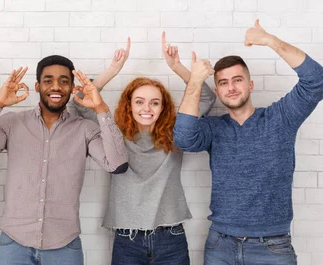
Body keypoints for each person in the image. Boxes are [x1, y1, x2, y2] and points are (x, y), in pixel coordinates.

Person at [173, 20, 323, 265]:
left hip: (272, 247)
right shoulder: (214, 127)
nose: (231, 88)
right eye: (223, 83)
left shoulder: (280, 118)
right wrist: (195, 82)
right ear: (218, 91)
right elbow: (184, 138)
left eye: (237, 80)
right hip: (220, 245)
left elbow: (317, 81)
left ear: (250, 85)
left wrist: (270, 41)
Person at [0, 50, 130, 265]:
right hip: (14, 243)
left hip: (65, 244)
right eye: (48, 80)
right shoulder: (12, 123)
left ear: (71, 88)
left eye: (64, 81)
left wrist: (101, 108)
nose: (56, 87)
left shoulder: (85, 129)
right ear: (37, 87)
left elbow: (117, 165)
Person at [102, 32, 216, 265]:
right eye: (139, 101)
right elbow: (80, 104)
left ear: (163, 107)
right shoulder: (114, 134)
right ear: (129, 105)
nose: (147, 108)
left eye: (154, 102)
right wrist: (113, 70)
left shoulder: (175, 133)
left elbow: (206, 97)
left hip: (170, 238)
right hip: (127, 238)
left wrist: (178, 67)